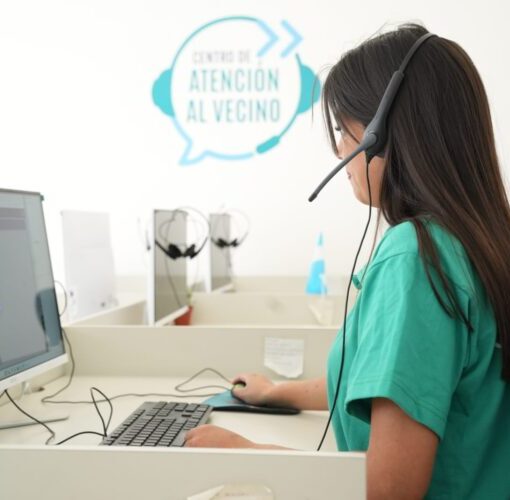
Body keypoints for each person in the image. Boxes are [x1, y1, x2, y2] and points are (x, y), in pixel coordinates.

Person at [184, 23, 510, 499]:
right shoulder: (482, 239)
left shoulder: (416, 259)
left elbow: (388, 489)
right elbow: (400, 382)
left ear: (380, 134)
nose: (340, 150)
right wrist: (277, 392)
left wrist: (248, 454)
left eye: (343, 130)